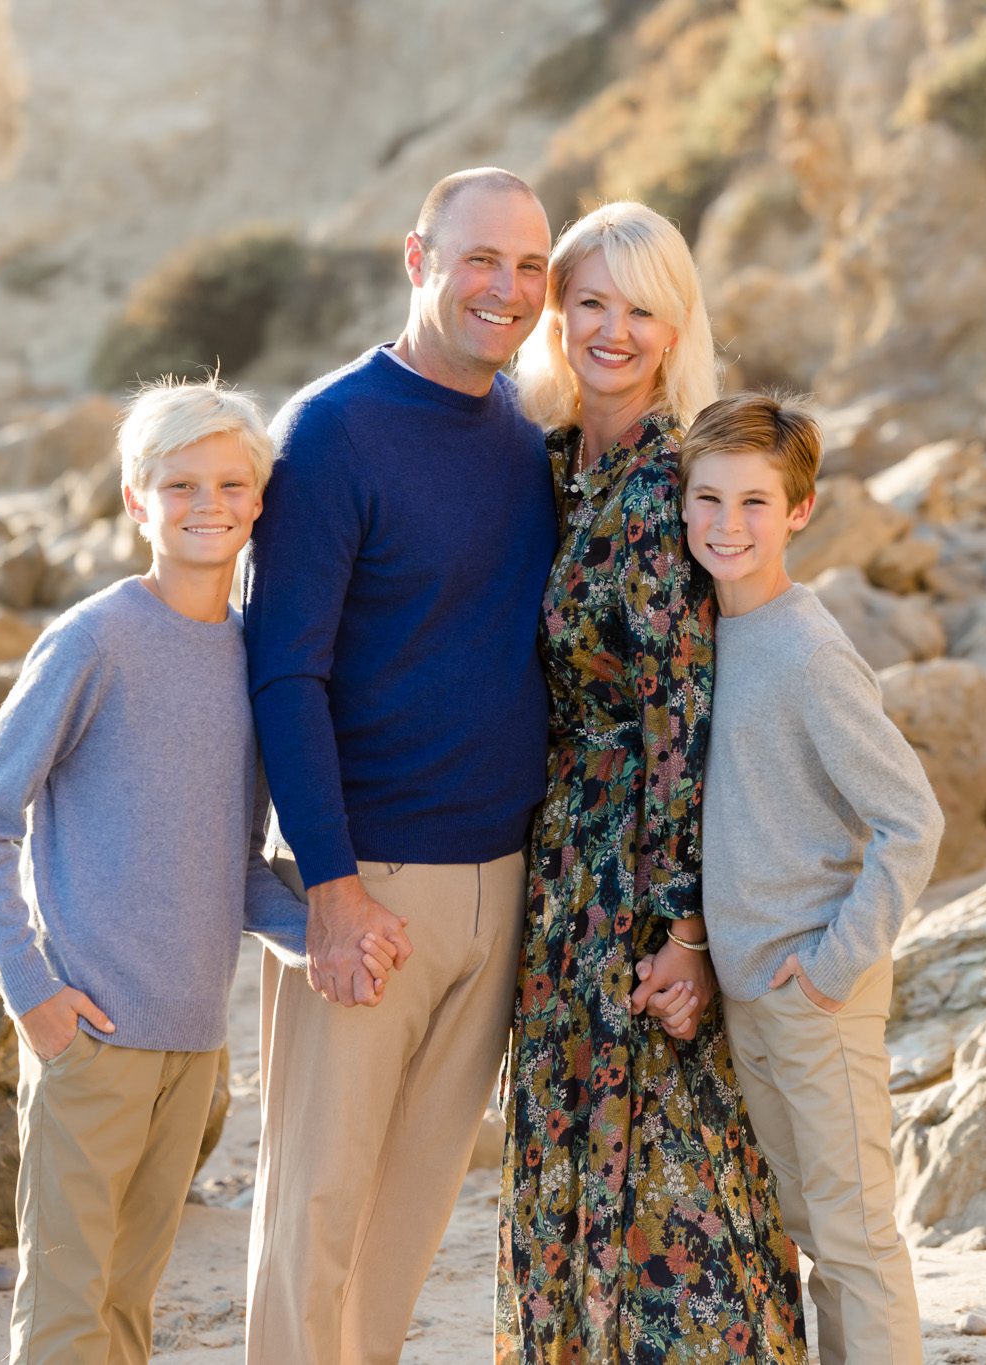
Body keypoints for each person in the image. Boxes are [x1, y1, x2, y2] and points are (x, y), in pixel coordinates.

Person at [241, 167, 560, 1364]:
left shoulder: (524, 432)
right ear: (418, 259)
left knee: (413, 1215)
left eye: (528, 267)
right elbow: (284, 674)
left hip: (503, 884)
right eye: (481, 259)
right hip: (369, 884)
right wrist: (327, 887)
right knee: (316, 1210)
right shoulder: (332, 431)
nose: (506, 289)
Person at [496, 202, 806, 1363]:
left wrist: (687, 934)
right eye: (589, 302)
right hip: (559, 874)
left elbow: (684, 719)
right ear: (556, 313)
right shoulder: (552, 465)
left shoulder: (668, 483)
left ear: (676, 329)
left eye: (641, 309)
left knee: (672, 1176)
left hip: (641, 876)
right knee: (571, 1151)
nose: (612, 331)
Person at [0, 377, 312, 1364]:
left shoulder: (253, 658)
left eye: (229, 484)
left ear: (258, 503)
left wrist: (324, 936)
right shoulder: (94, 639)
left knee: (128, 1303)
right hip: (90, 1036)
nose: (207, 504)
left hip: (196, 1044)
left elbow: (232, 864)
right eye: (179, 484)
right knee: (67, 1311)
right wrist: (33, 994)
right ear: (134, 501)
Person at [680, 393, 946, 1365]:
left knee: (855, 1238)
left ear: (799, 511)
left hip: (816, 988)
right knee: (806, 1229)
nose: (727, 525)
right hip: (753, 987)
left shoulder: (808, 650)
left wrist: (833, 966)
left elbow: (912, 820)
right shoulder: (711, 633)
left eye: (754, 502)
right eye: (708, 498)